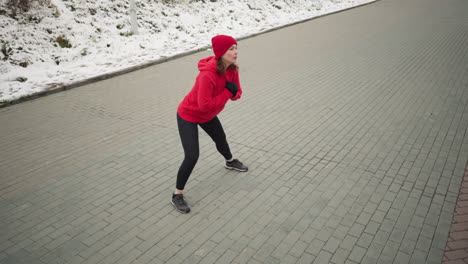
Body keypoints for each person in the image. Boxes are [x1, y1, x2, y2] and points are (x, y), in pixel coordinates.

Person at [171, 35, 248, 213]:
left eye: (236, 48)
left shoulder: (232, 70)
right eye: (231, 49)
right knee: (192, 155)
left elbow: (237, 94)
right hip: (189, 114)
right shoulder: (207, 75)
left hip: (208, 115)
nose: (235, 52)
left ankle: (230, 161)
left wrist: (231, 93)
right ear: (221, 52)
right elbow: (204, 105)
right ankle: (177, 194)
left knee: (221, 138)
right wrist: (228, 92)